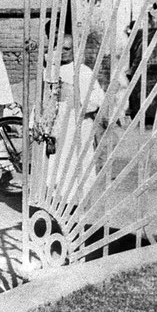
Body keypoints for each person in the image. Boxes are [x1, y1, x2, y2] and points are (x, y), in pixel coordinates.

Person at [35, 32, 106, 207]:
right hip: (54, 129)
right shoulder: (49, 71)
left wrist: (74, 95)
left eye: (67, 49)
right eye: (60, 48)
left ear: (75, 50)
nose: (63, 52)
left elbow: (97, 101)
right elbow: (41, 100)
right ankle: (55, 207)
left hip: (77, 128)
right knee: (54, 169)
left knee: (76, 168)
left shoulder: (83, 72)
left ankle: (76, 209)